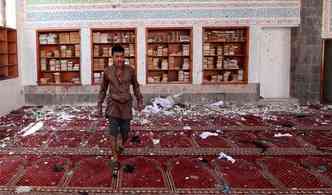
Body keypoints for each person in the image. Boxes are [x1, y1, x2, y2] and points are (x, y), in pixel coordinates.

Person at [97, 44, 143, 176]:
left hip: (126, 105)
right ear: (112, 57)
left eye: (122, 56)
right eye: (117, 56)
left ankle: (120, 145)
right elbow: (103, 90)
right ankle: (115, 157)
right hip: (113, 105)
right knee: (113, 131)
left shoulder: (131, 70)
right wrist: (99, 105)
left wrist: (140, 100)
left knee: (125, 132)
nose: (120, 59)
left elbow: (136, 86)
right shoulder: (107, 72)